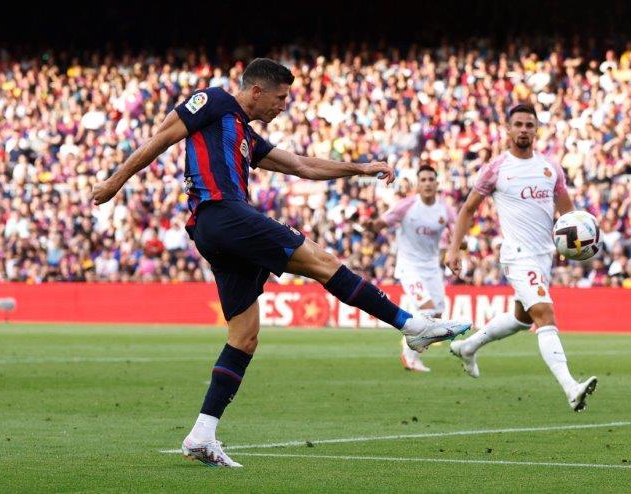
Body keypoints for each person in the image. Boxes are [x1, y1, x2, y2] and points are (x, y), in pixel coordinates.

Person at [91, 58, 471, 467]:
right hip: (222, 213)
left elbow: (302, 165)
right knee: (322, 261)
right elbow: (162, 137)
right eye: (281, 97)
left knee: (244, 337)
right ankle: (411, 326)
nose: (284, 105)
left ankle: (201, 434)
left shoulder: (245, 135)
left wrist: (359, 168)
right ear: (257, 91)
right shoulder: (213, 102)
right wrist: (114, 182)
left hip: (219, 230)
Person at [445, 103, 597, 412]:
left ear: (536, 129)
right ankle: (571, 387)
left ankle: (468, 346)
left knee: (521, 318)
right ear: (508, 129)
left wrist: (578, 244)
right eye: (519, 124)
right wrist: (454, 248)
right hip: (516, 256)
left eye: (529, 124)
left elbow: (568, 215)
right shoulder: (497, 168)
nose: (524, 129)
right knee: (544, 314)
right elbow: (468, 209)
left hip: (543, 257)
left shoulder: (551, 168)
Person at [365, 165, 456, 372]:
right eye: (423, 180)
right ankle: (409, 355)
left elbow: (457, 230)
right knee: (427, 308)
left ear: (437, 183)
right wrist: (371, 225)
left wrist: (457, 248)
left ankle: (412, 349)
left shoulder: (445, 209)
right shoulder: (406, 206)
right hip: (409, 266)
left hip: (432, 267)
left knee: (437, 314)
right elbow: (382, 222)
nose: (427, 183)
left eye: (431, 179)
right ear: (418, 184)